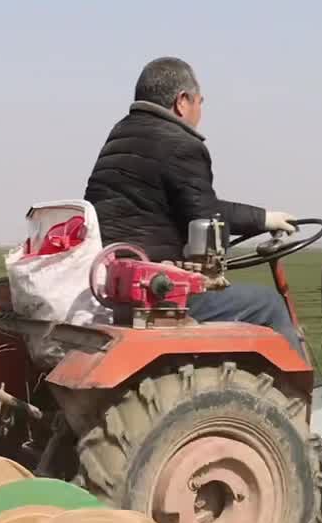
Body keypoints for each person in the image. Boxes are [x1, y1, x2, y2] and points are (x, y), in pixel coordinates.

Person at [83, 56, 306, 355]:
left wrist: (263, 219)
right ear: (182, 101)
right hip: (157, 289)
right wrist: (251, 224)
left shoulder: (121, 136)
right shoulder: (180, 143)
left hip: (114, 281)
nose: (201, 111)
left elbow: (192, 207)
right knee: (268, 304)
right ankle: (298, 397)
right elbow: (206, 218)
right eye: (200, 101)